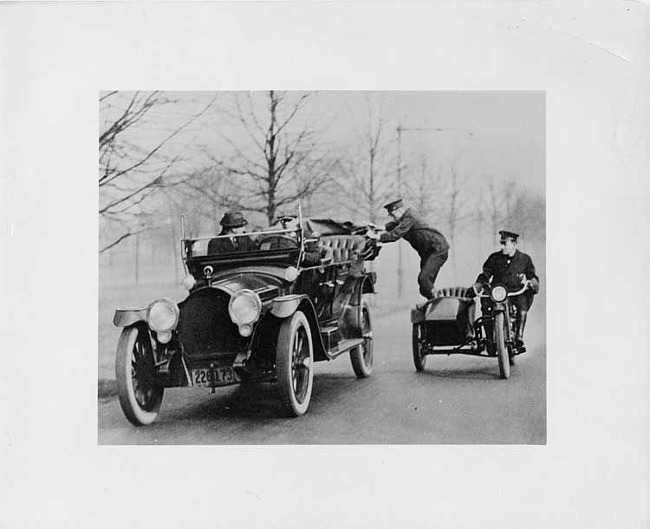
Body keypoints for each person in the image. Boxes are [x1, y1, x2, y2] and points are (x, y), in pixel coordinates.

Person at [473, 230, 539, 351]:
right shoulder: (494, 258)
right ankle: (489, 340)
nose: (502, 247)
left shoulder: (524, 259)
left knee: (522, 306)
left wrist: (530, 282)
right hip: (497, 292)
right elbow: (485, 274)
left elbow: (532, 275)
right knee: (486, 305)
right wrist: (479, 284)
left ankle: (519, 337)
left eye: (505, 244)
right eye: (501, 243)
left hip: (515, 291)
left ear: (515, 244)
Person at [378, 198, 450, 299]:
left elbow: (395, 234)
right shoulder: (403, 219)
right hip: (428, 253)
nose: (391, 217)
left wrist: (378, 237)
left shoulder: (410, 216)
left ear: (399, 210)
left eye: (392, 214)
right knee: (424, 288)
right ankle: (434, 304)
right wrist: (375, 229)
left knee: (424, 279)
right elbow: (390, 226)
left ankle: (441, 302)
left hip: (438, 250)